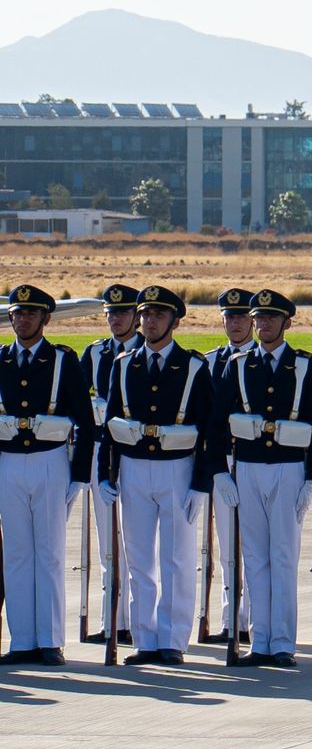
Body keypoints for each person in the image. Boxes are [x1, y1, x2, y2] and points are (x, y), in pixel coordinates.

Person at [96, 286, 220, 666]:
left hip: (177, 469)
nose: (150, 322)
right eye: (146, 315)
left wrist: (201, 483)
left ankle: (173, 639)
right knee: (138, 559)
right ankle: (144, 638)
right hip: (133, 468)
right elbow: (110, 424)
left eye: (158, 315)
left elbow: (210, 429)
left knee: (177, 558)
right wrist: (105, 473)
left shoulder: (193, 366)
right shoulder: (123, 364)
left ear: (174, 322)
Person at [212, 289, 312, 667]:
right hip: (247, 468)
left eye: (270, 318)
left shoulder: (305, 365)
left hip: (289, 468)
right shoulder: (239, 364)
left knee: (283, 556)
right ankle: (259, 641)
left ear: (286, 322)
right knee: (254, 557)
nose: (262, 324)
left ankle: (282, 643)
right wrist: (220, 470)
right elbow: (217, 421)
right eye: (258, 318)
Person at [0, 284, 95, 666]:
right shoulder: (1, 359)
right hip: (8, 462)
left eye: (30, 313)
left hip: (50, 461)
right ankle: (22, 640)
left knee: (50, 553)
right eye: (17, 314)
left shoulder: (62, 360)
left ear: (45, 319)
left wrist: (80, 474)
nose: (23, 319)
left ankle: (51, 640)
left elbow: (85, 422)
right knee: (17, 554)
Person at [78, 283, 139, 644]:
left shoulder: (144, 352)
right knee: (106, 541)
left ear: (135, 316)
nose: (115, 319)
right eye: (111, 313)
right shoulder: (95, 353)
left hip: (134, 452)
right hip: (102, 451)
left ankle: (134, 618)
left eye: (122, 312)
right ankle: (112, 620)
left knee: (134, 541)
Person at [203, 287, 256, 642]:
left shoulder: (260, 359)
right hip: (221, 461)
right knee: (225, 546)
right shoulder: (210, 362)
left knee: (253, 545)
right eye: (229, 317)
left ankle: (251, 619)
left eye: (240, 317)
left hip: (253, 458)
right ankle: (229, 620)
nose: (235, 324)